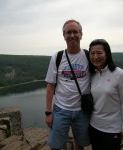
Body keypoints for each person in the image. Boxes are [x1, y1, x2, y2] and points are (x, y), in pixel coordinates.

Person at [45, 19, 91, 150]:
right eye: (68, 32)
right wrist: (48, 112)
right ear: (64, 35)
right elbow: (50, 86)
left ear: (81, 34)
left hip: (82, 110)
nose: (72, 35)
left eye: (75, 32)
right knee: (55, 145)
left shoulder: (88, 56)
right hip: (61, 110)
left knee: (80, 144)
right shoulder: (57, 57)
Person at [88, 39, 123, 150]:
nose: (95, 57)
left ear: (107, 54)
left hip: (112, 129)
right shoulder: (91, 75)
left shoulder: (119, 74)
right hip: (94, 126)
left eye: (99, 53)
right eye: (92, 53)